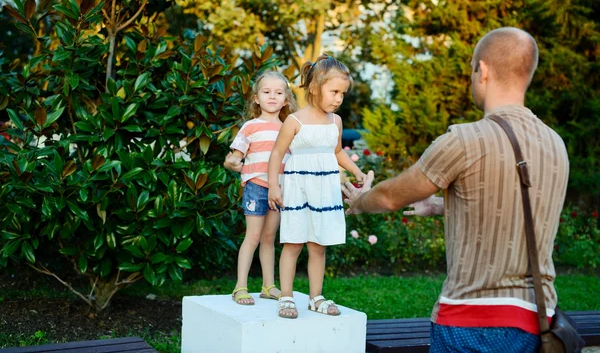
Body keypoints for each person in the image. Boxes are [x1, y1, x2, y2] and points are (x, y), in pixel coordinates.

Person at [343, 28, 569, 352]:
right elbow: (516, 205)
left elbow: (392, 196)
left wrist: (360, 202)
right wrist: (440, 206)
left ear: (484, 70)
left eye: (472, 69)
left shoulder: (463, 140)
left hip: (471, 323)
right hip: (538, 322)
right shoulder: (554, 144)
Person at [267, 54, 373, 319]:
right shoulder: (295, 121)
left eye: (343, 94)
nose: (339, 98)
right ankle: (287, 297)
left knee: (318, 245)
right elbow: (277, 155)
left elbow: (337, 152)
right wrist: (273, 187)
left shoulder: (335, 122)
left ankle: (316, 297)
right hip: (297, 189)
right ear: (315, 87)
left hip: (323, 191)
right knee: (293, 242)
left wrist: (357, 170)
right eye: (334, 91)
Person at [224, 71, 298, 305]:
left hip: (278, 189)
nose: (273, 97)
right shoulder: (250, 127)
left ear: (286, 100)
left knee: (269, 237)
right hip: (256, 186)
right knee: (253, 236)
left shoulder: (289, 127)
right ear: (256, 98)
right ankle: (240, 287)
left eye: (278, 93)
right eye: (267, 92)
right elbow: (235, 157)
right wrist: (233, 162)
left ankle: (268, 286)